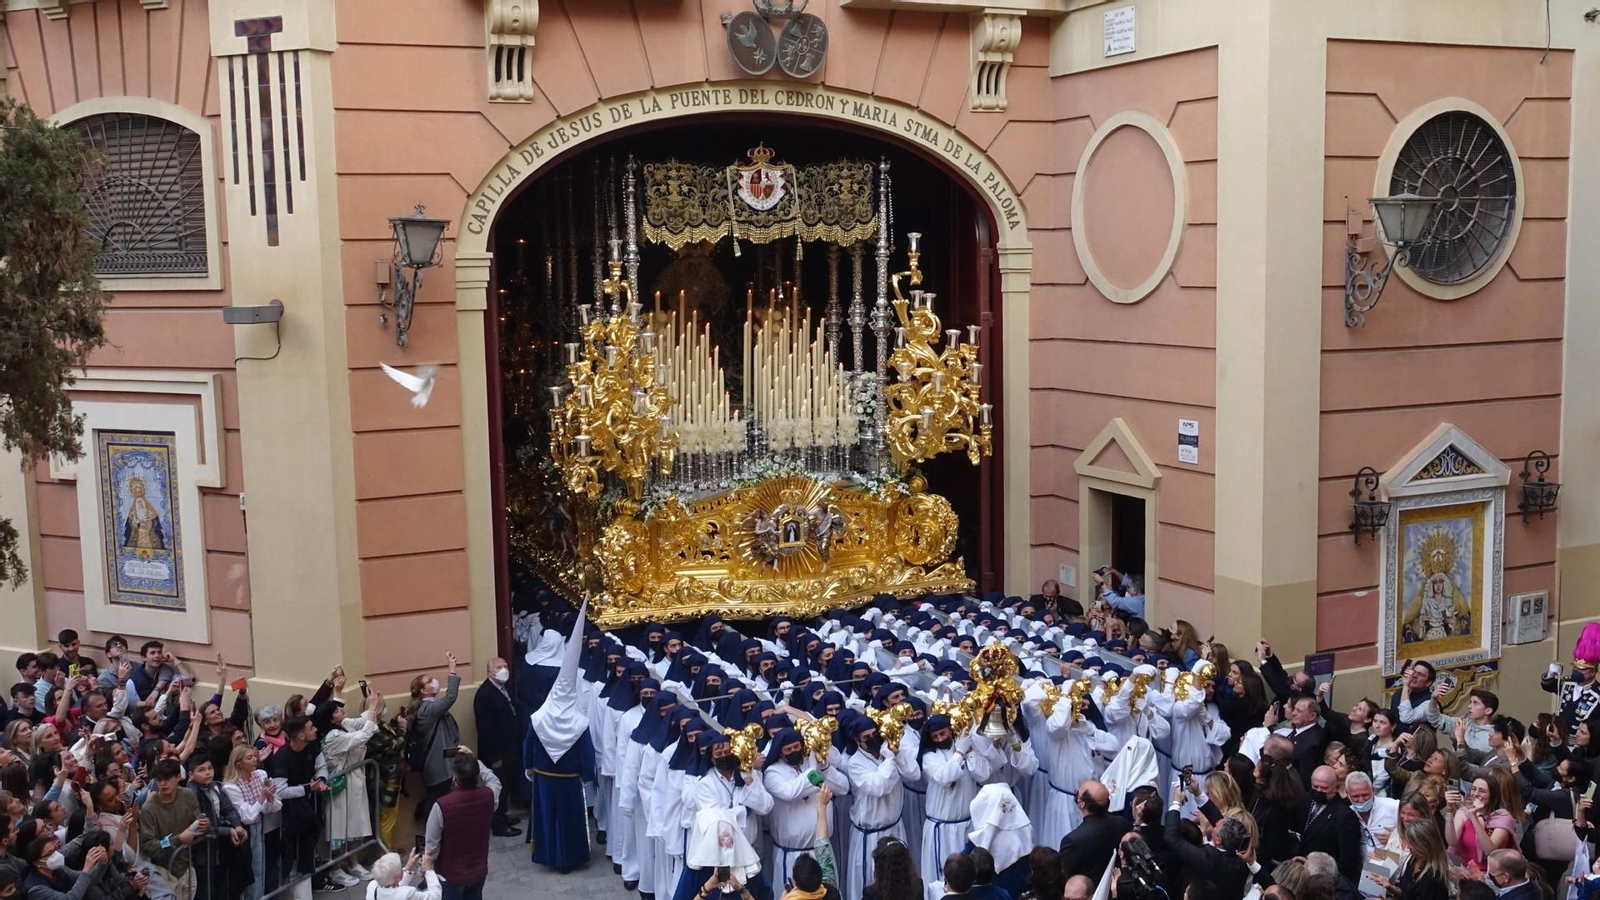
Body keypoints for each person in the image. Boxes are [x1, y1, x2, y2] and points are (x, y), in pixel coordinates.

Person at [524, 608, 595, 873]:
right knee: (569, 819)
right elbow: (587, 753)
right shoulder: (578, 722)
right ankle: (569, 858)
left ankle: (548, 855)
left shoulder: (539, 717)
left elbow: (529, 745)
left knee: (547, 817)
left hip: (544, 776)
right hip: (569, 779)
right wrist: (588, 774)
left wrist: (529, 766)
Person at [263, 715, 333, 892]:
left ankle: (306, 871)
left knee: (313, 829)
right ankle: (295, 871)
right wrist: (308, 788)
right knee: (299, 837)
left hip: (307, 801)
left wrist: (322, 780)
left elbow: (321, 766)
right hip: (289, 809)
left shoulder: (313, 747)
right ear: (301, 736)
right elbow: (280, 791)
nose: (315, 730)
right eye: (311, 728)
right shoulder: (282, 758)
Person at [424, 751, 502, 900]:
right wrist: (475, 760)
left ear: (455, 777)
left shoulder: (441, 806)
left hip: (450, 875)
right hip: (478, 870)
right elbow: (494, 780)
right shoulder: (489, 797)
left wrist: (426, 872)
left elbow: (431, 847)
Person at [472, 657, 524, 837]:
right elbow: (486, 729)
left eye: (505, 666)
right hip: (496, 753)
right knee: (498, 789)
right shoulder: (485, 695)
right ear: (489, 672)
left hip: (508, 748)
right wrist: (494, 757)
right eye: (499, 667)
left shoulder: (503, 688)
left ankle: (503, 816)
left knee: (506, 785)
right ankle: (499, 824)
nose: (504, 669)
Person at [188, 752, 251, 900]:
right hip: (201, 853)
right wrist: (226, 831)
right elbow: (199, 826)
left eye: (209, 768)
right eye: (201, 770)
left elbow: (228, 809)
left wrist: (237, 826)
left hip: (219, 850)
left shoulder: (215, 786)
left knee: (222, 889)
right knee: (206, 891)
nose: (207, 772)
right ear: (191, 774)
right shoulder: (191, 794)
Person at [141, 757, 204, 900]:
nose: (163, 783)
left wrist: (204, 825)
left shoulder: (188, 796)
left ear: (178, 777)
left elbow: (197, 823)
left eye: (167, 778)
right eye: (159, 779)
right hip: (163, 873)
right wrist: (177, 840)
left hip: (187, 868)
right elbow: (148, 845)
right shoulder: (148, 809)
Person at [222, 745, 280, 900]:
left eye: (255, 756)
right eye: (249, 757)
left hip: (259, 826)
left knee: (259, 869)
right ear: (239, 763)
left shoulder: (261, 775)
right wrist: (262, 797)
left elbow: (275, 806)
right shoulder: (230, 786)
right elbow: (246, 815)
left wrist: (269, 797)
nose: (255, 760)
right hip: (242, 831)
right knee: (246, 873)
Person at [410, 652, 462, 823]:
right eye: (429, 681)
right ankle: (431, 834)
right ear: (424, 691)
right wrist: (452, 669)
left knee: (440, 800)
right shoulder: (427, 709)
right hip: (437, 767)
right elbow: (450, 697)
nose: (434, 682)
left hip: (442, 764)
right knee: (436, 801)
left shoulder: (430, 706)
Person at [1163, 801, 1251, 900]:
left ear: (1218, 841)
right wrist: (1198, 794)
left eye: (1216, 827)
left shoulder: (1208, 858)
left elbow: (1172, 838)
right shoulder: (1242, 864)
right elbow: (1222, 824)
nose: (1214, 824)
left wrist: (1176, 802)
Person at [1295, 766, 1363, 883]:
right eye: (1315, 786)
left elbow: (1348, 860)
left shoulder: (1345, 816)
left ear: (1336, 787)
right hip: (1298, 872)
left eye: (1324, 788)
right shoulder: (1304, 800)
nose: (1319, 791)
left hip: (1323, 880)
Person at [1056, 780, 1128, 881]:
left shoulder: (1072, 841)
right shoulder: (1123, 824)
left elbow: (1064, 878)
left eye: (1077, 793)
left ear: (1082, 804)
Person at [1443, 775, 1514, 867]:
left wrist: (1474, 816)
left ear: (1492, 795)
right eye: (1473, 789)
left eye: (1482, 791)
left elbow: (1489, 850)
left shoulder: (1502, 818)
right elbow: (1451, 841)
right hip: (1465, 870)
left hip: (1493, 874)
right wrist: (1449, 810)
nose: (1475, 794)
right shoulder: (1463, 812)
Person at [1343, 771, 1398, 857]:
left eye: (1365, 795)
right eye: (1356, 796)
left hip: (1394, 863)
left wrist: (1396, 838)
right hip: (1360, 867)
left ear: (1372, 790)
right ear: (1348, 794)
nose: (1361, 800)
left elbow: (1420, 833)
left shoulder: (1393, 807)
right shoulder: (1346, 815)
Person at [367, 851, 442, 900]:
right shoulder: (407, 893)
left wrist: (408, 866)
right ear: (396, 877)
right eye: (401, 866)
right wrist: (429, 870)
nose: (403, 867)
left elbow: (394, 890)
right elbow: (435, 896)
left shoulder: (372, 886)